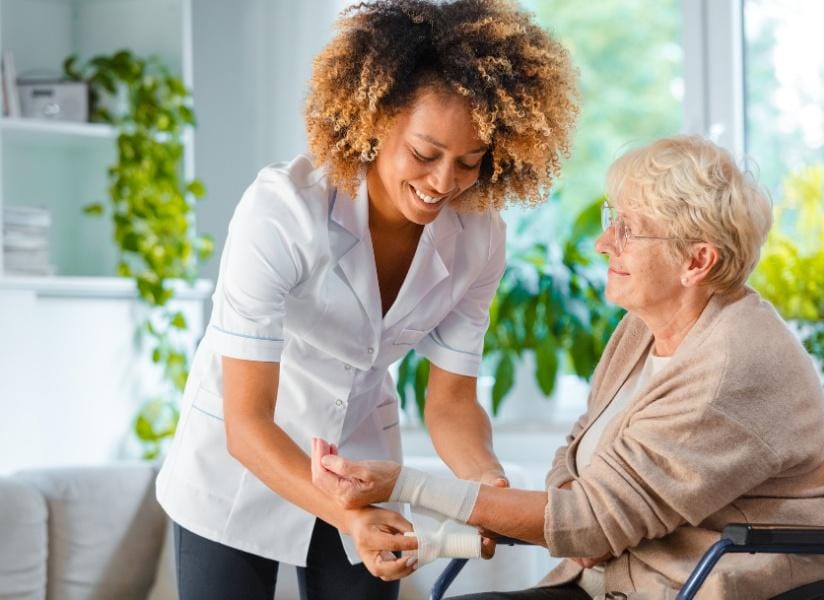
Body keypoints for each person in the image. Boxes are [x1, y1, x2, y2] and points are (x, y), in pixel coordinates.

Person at [154, 1, 577, 599]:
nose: (444, 183)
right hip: (247, 457)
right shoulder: (282, 212)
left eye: (471, 162)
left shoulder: (480, 237)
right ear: (377, 120)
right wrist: (347, 518)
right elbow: (246, 424)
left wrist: (487, 490)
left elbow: (451, 403)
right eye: (425, 154)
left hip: (362, 451)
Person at [310, 135, 824, 600]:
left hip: (703, 585)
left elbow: (591, 521)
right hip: (614, 581)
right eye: (613, 221)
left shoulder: (730, 365)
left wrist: (404, 483)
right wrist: (581, 523)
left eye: (630, 230)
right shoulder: (645, 328)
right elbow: (576, 457)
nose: (602, 242)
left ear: (696, 261)